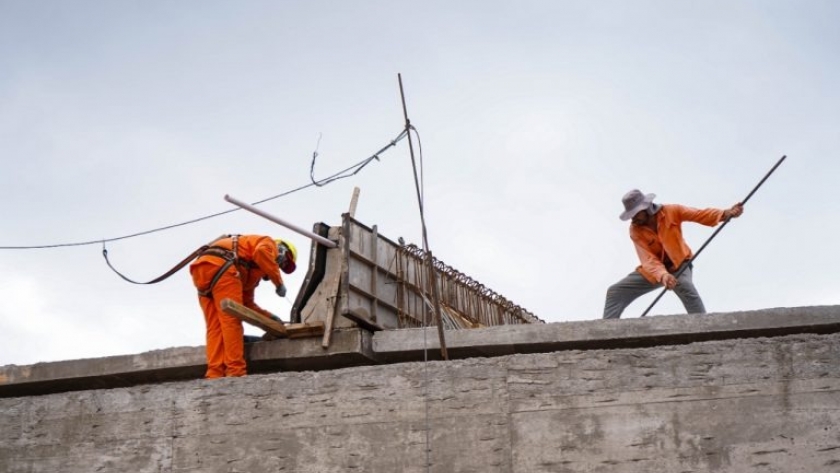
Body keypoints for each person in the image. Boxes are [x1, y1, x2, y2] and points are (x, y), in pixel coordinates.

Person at [602, 189, 743, 320]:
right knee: (615, 292)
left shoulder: (672, 211)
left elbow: (699, 214)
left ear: (646, 208)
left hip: (679, 265)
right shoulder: (635, 230)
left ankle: (703, 327)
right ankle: (605, 333)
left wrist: (725, 214)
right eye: (630, 215)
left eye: (635, 214)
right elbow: (648, 259)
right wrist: (663, 275)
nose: (633, 219)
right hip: (655, 270)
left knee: (685, 287)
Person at [189, 234, 298, 378]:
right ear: (282, 251)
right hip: (223, 266)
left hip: (203, 269)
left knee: (215, 327)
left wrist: (271, 317)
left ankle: (214, 372)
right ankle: (236, 371)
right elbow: (261, 253)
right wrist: (278, 282)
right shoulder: (268, 243)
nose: (280, 266)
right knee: (231, 321)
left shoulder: (249, 274)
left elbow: (246, 305)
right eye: (283, 263)